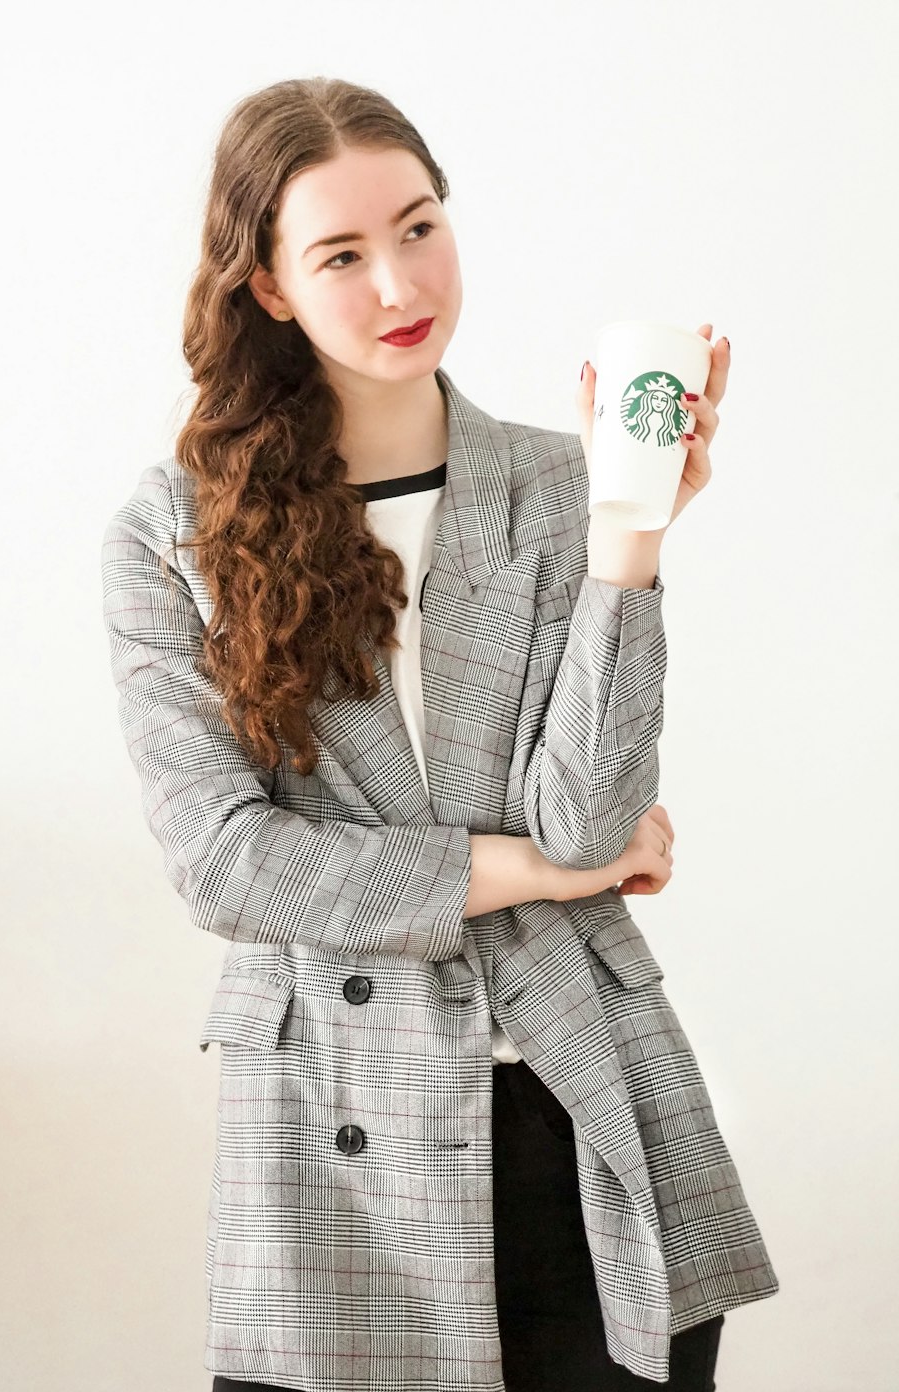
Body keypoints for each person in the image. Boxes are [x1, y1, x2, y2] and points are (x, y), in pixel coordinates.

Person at [100, 76, 778, 1392]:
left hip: (571, 1098)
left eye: (420, 227)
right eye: (342, 254)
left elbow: (588, 818)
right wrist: (534, 871)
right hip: (333, 1130)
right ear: (271, 286)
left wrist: (630, 539)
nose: (401, 281)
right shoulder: (172, 533)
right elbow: (227, 865)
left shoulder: (558, 482)